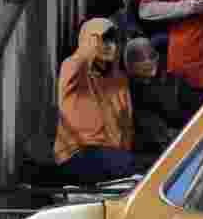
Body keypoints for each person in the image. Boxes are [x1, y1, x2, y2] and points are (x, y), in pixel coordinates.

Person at [52, 18, 138, 185]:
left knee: (135, 165)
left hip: (112, 157)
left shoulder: (119, 80)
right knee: (127, 165)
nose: (109, 46)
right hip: (77, 153)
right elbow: (80, 58)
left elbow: (127, 127)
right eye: (101, 41)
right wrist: (94, 38)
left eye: (113, 41)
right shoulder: (72, 69)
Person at [123, 35, 203, 156]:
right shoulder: (125, 90)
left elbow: (196, 113)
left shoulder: (175, 83)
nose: (148, 62)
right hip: (146, 152)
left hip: (181, 142)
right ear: (129, 65)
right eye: (140, 59)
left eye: (151, 56)